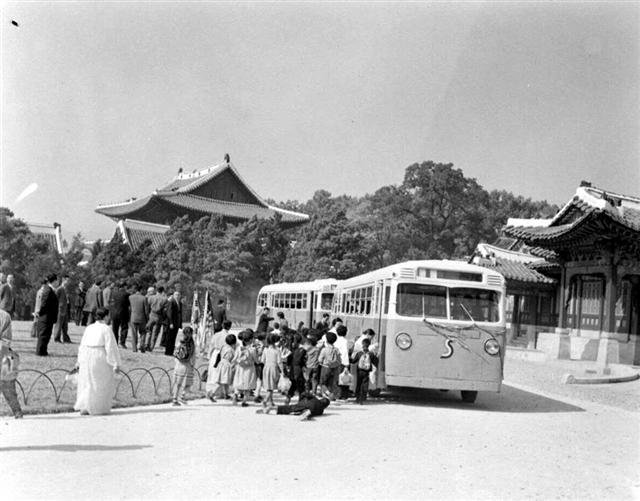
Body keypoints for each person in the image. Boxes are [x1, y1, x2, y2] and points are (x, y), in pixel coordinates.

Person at [74, 307, 122, 415]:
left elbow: (82, 345)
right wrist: (115, 363)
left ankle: (86, 406)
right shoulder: (106, 329)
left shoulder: (89, 328)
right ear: (105, 316)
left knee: (87, 380)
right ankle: (97, 407)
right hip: (99, 355)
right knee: (100, 381)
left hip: (87, 355)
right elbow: (110, 347)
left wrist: (79, 360)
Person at [0, 308, 23, 418]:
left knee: (8, 386)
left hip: (3, 355)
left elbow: (6, 340)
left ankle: (17, 411)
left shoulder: (4, 316)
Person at [205, 320, 232, 402]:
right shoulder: (228, 336)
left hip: (215, 353)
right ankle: (220, 393)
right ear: (229, 327)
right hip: (223, 354)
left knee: (213, 373)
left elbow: (211, 345)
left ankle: (211, 390)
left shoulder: (216, 334)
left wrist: (209, 355)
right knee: (222, 374)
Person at [257, 392, 330, 421]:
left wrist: (301, 400)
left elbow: (305, 393)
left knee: (290, 408)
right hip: (311, 409)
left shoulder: (314, 398)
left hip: (305, 402)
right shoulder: (321, 410)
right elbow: (317, 413)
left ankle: (272, 408)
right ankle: (306, 414)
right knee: (309, 411)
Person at [232, 330, 258, 407]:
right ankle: (244, 401)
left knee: (239, 382)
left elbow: (235, 358)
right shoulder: (252, 349)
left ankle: (235, 395)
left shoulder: (239, 348)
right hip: (249, 369)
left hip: (240, 368)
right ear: (250, 340)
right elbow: (256, 359)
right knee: (248, 385)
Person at [35, 273, 59, 356]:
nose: (58, 282)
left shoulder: (50, 290)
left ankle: (43, 351)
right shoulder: (48, 290)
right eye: (57, 280)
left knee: (47, 335)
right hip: (45, 317)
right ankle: (40, 352)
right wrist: (40, 314)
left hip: (49, 317)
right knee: (43, 335)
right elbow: (44, 304)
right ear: (54, 281)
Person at [172, 326, 196, 406]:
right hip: (187, 365)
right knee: (188, 383)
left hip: (178, 364)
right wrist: (192, 365)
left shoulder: (179, 341)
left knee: (177, 383)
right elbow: (193, 356)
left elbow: (175, 353)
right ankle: (182, 396)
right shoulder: (191, 343)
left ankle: (174, 399)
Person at [350, 337, 378, 404]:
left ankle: (357, 397)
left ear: (362, 345)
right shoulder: (371, 354)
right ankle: (364, 396)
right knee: (365, 383)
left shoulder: (359, 353)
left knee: (358, 383)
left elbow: (353, 361)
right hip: (366, 371)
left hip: (359, 371)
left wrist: (350, 356)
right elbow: (376, 362)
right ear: (369, 345)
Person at [260, 333, 283, 408]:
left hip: (266, 368)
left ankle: (271, 401)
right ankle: (265, 401)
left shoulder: (265, 349)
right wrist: (282, 371)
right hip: (273, 368)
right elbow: (279, 361)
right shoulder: (277, 350)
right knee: (271, 387)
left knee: (268, 386)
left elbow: (262, 360)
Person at [317, 331, 341, 399]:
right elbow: (339, 359)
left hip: (325, 367)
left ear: (326, 340)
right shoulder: (336, 349)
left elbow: (320, 360)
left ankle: (329, 394)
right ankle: (330, 395)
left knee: (322, 383)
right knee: (330, 383)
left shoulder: (324, 350)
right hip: (334, 368)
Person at [285, 333, 307, 405]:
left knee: (294, 385)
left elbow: (288, 360)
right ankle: (300, 401)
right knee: (301, 387)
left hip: (292, 369)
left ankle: (288, 397)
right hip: (298, 370)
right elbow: (303, 361)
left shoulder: (290, 349)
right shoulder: (302, 350)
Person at [214, 334, 237, 400]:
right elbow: (230, 358)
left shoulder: (223, 346)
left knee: (221, 380)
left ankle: (222, 393)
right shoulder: (231, 350)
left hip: (221, 364)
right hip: (226, 365)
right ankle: (225, 394)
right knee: (226, 381)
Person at [109, 282, 130, 348]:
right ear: (124, 287)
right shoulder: (126, 294)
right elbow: (128, 304)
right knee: (124, 328)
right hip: (123, 313)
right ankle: (122, 342)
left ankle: (115, 342)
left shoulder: (113, 293)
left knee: (115, 328)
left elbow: (110, 302)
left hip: (114, 314)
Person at [128, 284, 149, 352]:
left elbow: (129, 308)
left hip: (133, 317)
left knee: (134, 333)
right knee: (143, 332)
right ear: (141, 290)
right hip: (142, 318)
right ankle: (142, 347)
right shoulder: (144, 298)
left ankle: (134, 348)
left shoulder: (130, 297)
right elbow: (146, 310)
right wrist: (147, 319)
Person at [53, 275, 72, 343]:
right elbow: (55, 299)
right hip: (60, 309)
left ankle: (66, 338)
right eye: (67, 280)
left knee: (65, 325)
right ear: (64, 280)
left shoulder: (66, 289)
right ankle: (57, 338)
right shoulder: (59, 289)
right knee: (59, 324)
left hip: (65, 308)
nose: (68, 282)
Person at [334, 324, 351, 399]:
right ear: (346, 333)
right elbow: (345, 353)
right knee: (344, 379)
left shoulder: (335, 341)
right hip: (343, 362)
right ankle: (343, 395)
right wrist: (346, 364)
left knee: (337, 379)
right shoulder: (345, 341)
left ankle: (337, 394)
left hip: (335, 362)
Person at [164, 291, 182, 356]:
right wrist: (171, 323)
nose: (177, 296)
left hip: (177, 323)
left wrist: (180, 324)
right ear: (173, 295)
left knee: (174, 338)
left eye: (178, 295)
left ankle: (171, 351)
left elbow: (180, 314)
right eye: (176, 295)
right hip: (172, 323)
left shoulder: (179, 303)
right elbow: (169, 313)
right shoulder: (171, 302)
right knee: (169, 337)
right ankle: (168, 352)